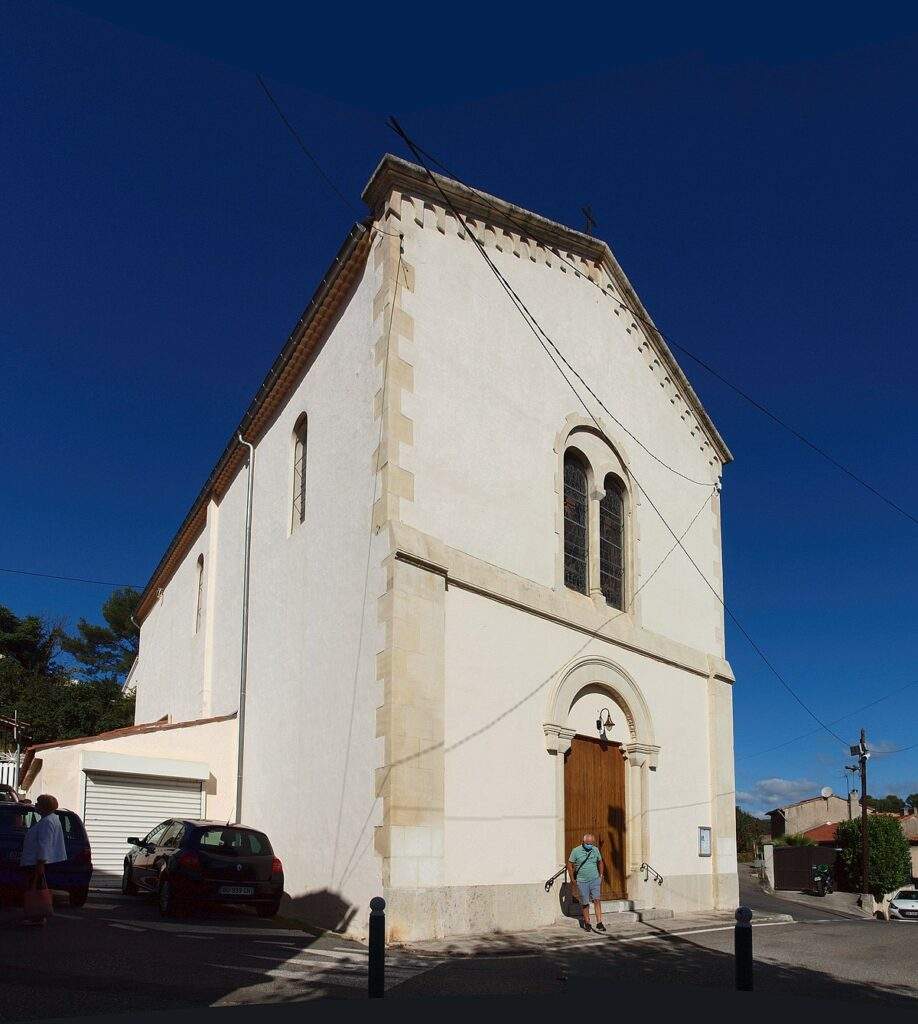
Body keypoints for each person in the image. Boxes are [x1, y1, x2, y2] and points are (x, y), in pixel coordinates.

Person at [20, 794, 67, 926]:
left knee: (35, 890)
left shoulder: (47, 822)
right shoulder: (52, 819)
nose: (36, 805)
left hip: (35, 862)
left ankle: (36, 916)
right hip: (36, 861)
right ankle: (37, 915)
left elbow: (44, 843)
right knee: (37, 888)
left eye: (38, 803)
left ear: (44, 807)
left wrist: (40, 863)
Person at [568, 833, 605, 932]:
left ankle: (599, 922)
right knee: (585, 903)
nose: (589, 845)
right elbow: (570, 864)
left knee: (597, 900)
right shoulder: (575, 851)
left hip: (594, 879)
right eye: (588, 843)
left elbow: (600, 862)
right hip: (582, 881)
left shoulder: (595, 849)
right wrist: (572, 879)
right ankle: (587, 922)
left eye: (591, 843)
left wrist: (600, 876)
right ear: (583, 842)